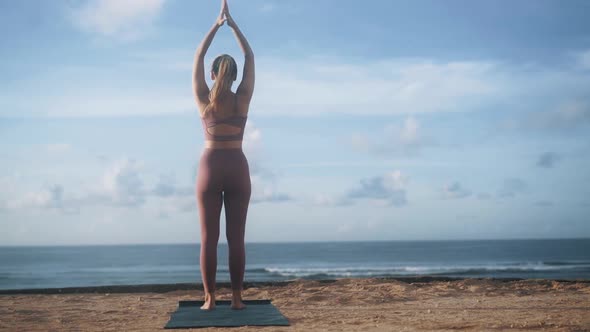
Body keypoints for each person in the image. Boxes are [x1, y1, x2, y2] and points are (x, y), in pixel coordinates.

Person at [192, 0, 255, 311]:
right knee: (236, 239)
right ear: (234, 76)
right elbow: (250, 55)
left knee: (208, 238)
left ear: (213, 73)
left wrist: (217, 25)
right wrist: (234, 26)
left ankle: (209, 299)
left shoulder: (204, 99)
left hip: (210, 166)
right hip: (237, 166)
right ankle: (238, 299)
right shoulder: (242, 98)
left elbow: (198, 55)